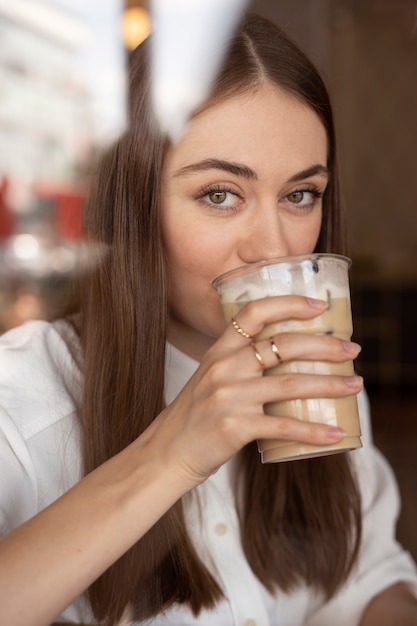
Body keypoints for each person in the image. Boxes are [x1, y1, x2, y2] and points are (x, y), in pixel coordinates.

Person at [0, 12, 416, 626]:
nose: (275, 249)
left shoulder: (319, 373)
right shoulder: (23, 399)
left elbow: (365, 576)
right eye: (220, 194)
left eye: (301, 194)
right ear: (132, 207)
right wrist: (171, 455)